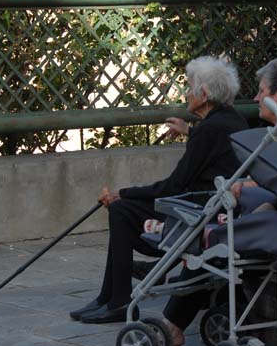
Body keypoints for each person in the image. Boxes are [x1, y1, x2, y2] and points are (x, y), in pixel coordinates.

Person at [161, 57, 277, 346]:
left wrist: (250, 190)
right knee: (222, 232)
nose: (256, 98)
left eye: (261, 91)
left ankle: (173, 324)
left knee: (213, 243)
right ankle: (232, 317)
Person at [70, 56, 248, 324]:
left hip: (199, 211)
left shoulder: (209, 130)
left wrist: (124, 193)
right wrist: (190, 132)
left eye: (189, 87)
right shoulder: (232, 121)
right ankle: (109, 296)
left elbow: (175, 185)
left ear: (204, 94)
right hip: (215, 205)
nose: (186, 93)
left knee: (121, 210)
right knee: (123, 208)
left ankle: (118, 301)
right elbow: (212, 154)